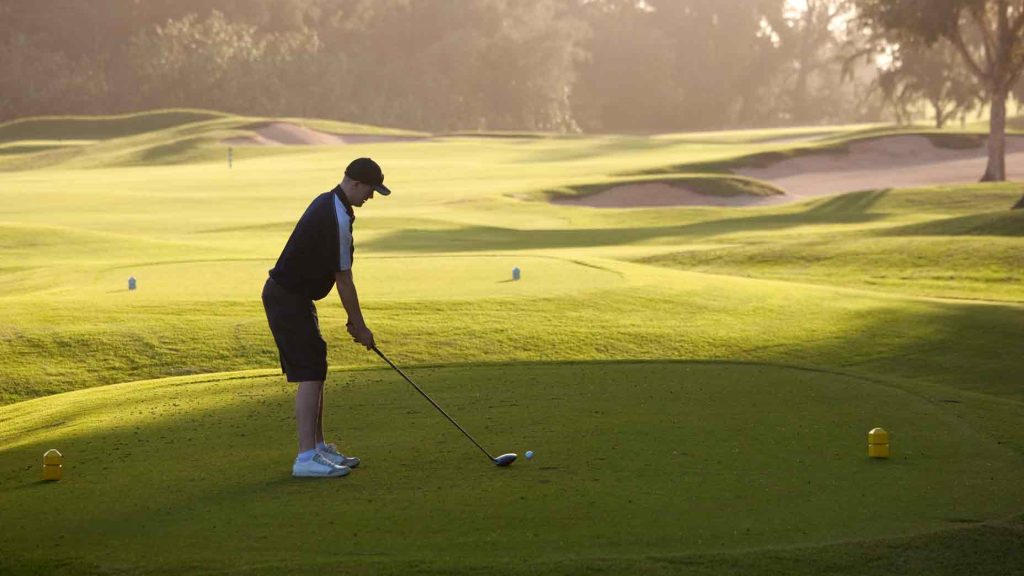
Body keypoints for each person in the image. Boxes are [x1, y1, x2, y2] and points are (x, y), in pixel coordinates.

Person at [262, 157, 392, 478]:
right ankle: (306, 457)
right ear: (356, 183)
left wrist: (354, 321)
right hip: (286, 297)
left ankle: (317, 448)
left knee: (316, 365)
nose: (371, 197)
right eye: (370, 190)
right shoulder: (336, 214)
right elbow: (343, 279)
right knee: (310, 370)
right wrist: (360, 326)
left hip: (295, 296)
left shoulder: (333, 204)